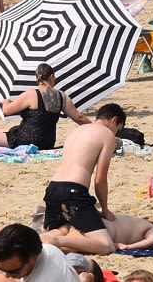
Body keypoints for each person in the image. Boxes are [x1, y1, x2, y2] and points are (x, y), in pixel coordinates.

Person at [39, 103, 125, 256]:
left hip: (53, 189)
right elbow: (100, 179)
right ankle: (57, 242)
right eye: (118, 129)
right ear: (114, 120)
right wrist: (105, 210)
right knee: (106, 246)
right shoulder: (107, 135)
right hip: (73, 191)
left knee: (63, 230)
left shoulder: (77, 130)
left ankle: (49, 240)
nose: (115, 133)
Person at [0, 64, 89, 151]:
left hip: (27, 139)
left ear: (37, 79)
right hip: (47, 142)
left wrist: (5, 101)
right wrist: (97, 127)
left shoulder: (31, 95)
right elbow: (79, 117)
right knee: (0, 131)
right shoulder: (62, 96)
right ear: (52, 77)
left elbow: (7, 111)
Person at [43, 214, 153, 256]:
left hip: (96, 221)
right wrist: (129, 247)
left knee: (64, 230)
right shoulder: (151, 228)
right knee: (69, 244)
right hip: (106, 231)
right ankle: (53, 242)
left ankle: (37, 238)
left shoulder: (135, 220)